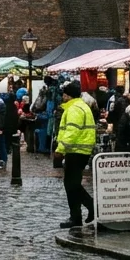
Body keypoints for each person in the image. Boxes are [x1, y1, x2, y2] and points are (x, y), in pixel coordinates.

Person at [54, 83, 95, 228]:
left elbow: (72, 131)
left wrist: (61, 149)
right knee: (72, 184)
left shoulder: (74, 109)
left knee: (71, 185)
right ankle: (77, 215)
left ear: (67, 95)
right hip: (81, 150)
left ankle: (87, 209)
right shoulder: (82, 106)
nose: (62, 97)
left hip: (75, 151)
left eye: (64, 94)